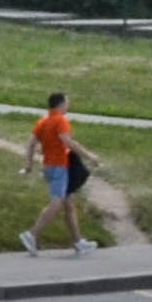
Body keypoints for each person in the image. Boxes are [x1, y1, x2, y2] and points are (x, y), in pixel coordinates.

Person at [19, 89, 94, 254]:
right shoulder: (61, 121)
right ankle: (31, 234)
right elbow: (68, 142)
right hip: (60, 166)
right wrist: (89, 156)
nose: (68, 105)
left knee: (68, 204)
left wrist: (29, 164)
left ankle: (78, 242)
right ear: (61, 104)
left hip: (48, 166)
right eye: (67, 102)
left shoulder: (42, 121)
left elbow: (31, 144)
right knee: (57, 201)